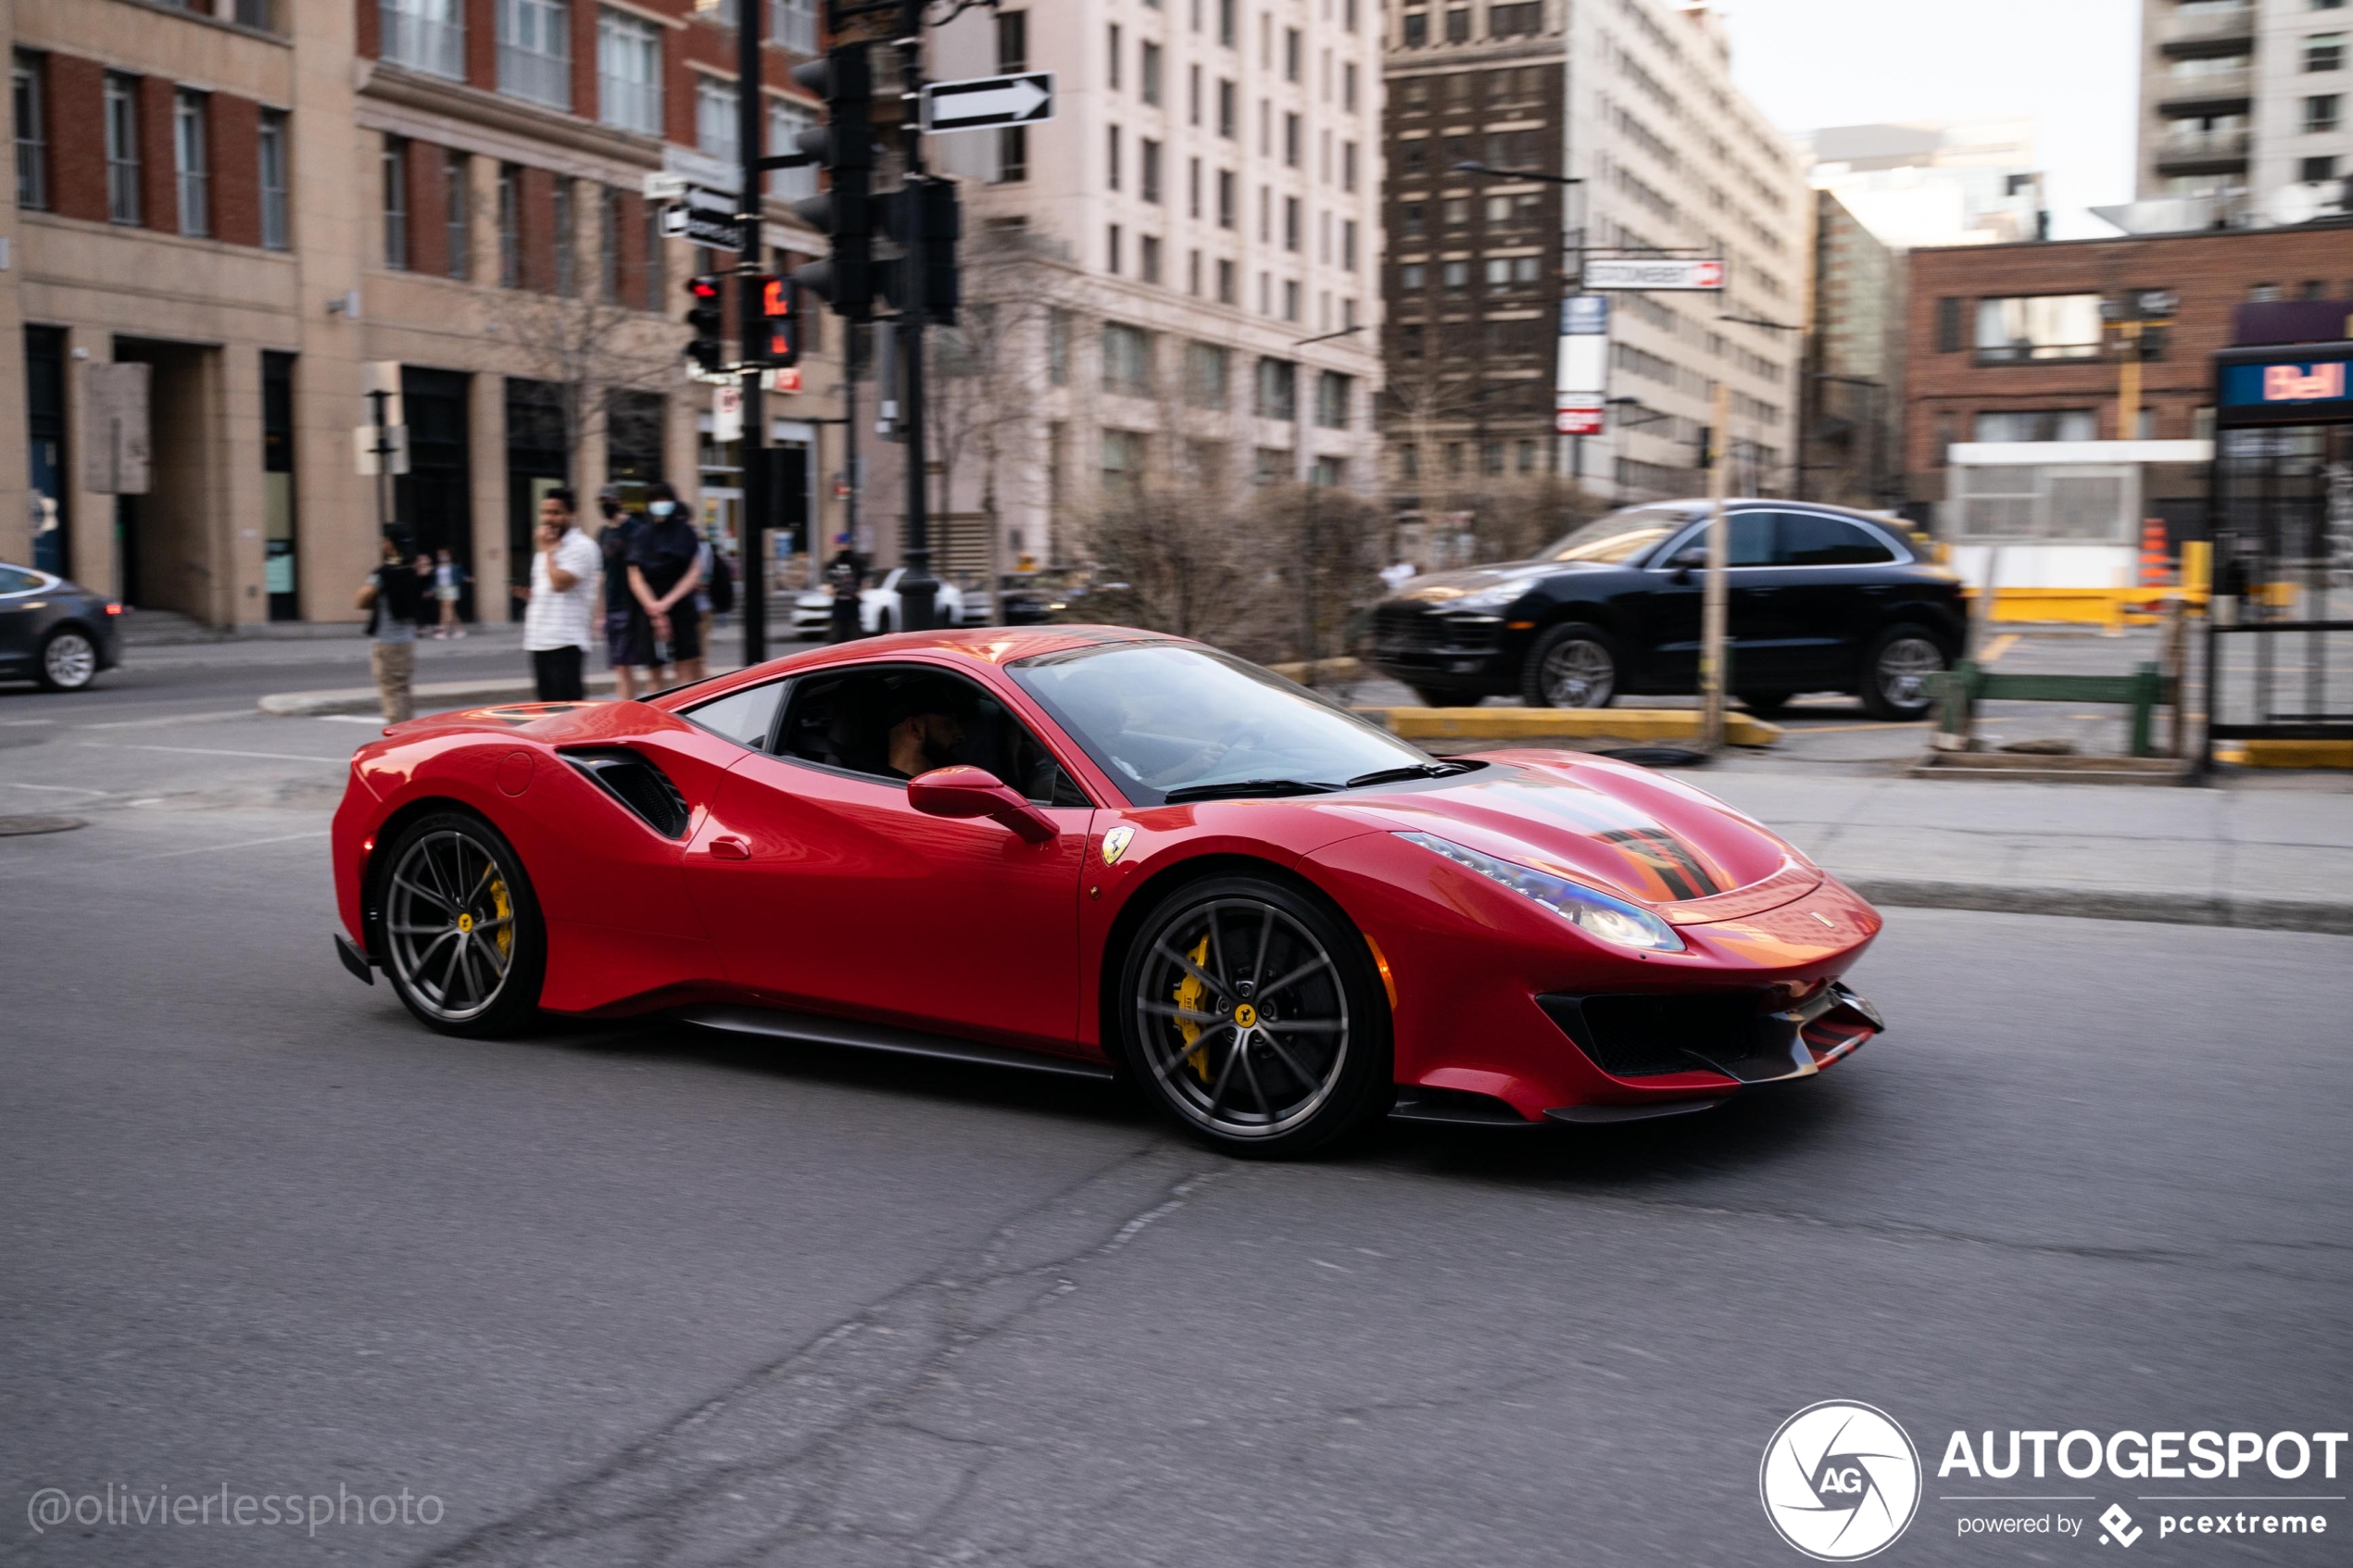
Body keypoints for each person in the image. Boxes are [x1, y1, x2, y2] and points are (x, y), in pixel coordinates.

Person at [515, 488, 600, 701]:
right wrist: (530, 595)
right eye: (544, 512)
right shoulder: (547, 548)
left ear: (572, 514)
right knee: (546, 712)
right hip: (539, 638)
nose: (548, 519)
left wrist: (548, 551)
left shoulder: (582, 546)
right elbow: (547, 588)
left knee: (568, 712)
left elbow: (560, 584)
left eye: (555, 512)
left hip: (565, 640)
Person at [624, 481, 705, 685]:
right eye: (655, 500)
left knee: (684, 668)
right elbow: (635, 576)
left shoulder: (685, 532)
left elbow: (693, 572)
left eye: (664, 499)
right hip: (648, 609)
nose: (660, 504)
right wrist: (654, 608)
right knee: (654, 670)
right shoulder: (640, 535)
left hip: (680, 607)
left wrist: (666, 603)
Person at [355, 537, 425, 723]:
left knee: (390, 690)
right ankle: (408, 730)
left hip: (387, 640)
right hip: (407, 639)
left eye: (385, 541)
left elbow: (361, 599)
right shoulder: (412, 572)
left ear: (391, 545)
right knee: (403, 689)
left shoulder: (383, 573)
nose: (382, 544)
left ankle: (398, 736)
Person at [595, 485, 647, 700]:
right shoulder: (603, 533)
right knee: (619, 666)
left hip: (629, 605)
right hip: (612, 604)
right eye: (601, 501)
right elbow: (602, 574)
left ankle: (628, 708)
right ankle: (626, 706)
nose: (604, 505)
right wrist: (599, 613)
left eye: (608, 500)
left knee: (625, 665)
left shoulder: (634, 529)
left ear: (619, 501)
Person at [825, 534, 863, 644]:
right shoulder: (832, 564)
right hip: (839, 605)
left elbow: (864, 580)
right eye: (840, 544)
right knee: (837, 637)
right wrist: (832, 590)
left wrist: (860, 591)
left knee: (854, 637)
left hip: (852, 605)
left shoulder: (857, 562)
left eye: (845, 544)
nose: (843, 546)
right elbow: (827, 585)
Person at [432, 548, 469, 638]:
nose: (441, 556)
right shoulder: (437, 567)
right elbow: (434, 580)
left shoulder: (455, 566)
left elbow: (461, 574)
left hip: (451, 588)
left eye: (443, 554)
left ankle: (443, 630)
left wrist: (467, 578)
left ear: (449, 555)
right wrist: (430, 589)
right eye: (439, 555)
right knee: (449, 609)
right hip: (441, 588)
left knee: (447, 607)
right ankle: (459, 630)